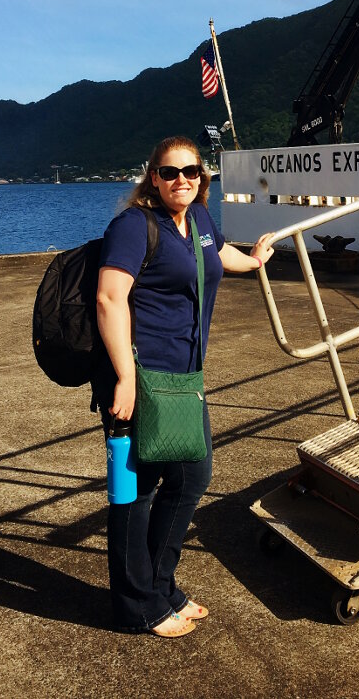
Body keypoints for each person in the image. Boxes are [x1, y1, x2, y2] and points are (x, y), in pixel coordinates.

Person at [94, 135, 274, 637]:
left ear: (203, 176)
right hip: (140, 376)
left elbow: (218, 257)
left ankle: (159, 586)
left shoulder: (197, 220)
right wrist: (125, 379)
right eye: (170, 172)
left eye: (191, 171)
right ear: (153, 177)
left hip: (184, 378)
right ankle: (138, 606)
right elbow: (110, 300)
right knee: (138, 491)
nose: (182, 180)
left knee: (187, 479)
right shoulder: (134, 226)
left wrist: (255, 259)